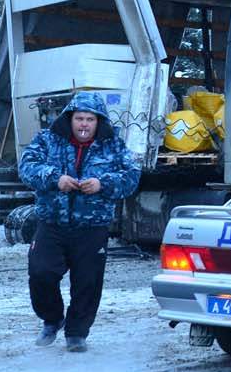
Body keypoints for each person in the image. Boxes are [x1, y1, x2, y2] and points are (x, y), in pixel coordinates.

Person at [17, 92, 140, 352]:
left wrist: (102, 184)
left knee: (88, 281)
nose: (84, 124)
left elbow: (131, 177)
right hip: (52, 222)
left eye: (90, 119)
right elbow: (26, 167)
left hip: (92, 226)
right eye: (79, 118)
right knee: (41, 273)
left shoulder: (113, 145)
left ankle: (77, 333)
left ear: (99, 122)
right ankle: (52, 319)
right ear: (70, 119)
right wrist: (54, 178)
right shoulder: (47, 140)